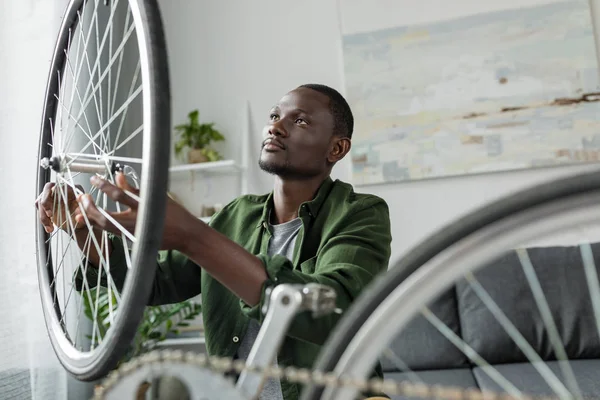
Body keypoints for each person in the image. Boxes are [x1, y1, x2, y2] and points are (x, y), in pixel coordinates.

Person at [37, 83, 392, 400]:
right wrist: (85, 231)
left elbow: (336, 311)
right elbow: (156, 284)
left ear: (337, 148)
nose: (275, 126)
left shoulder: (360, 213)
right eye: (274, 115)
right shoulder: (236, 215)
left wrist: (195, 236)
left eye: (299, 121)